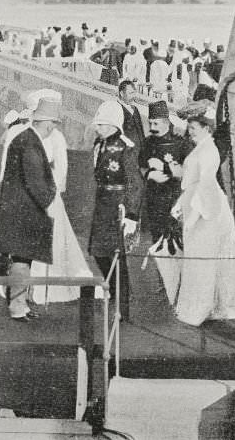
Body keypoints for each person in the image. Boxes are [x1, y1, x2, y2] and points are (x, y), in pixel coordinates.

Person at [170, 102, 235, 326]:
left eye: (194, 128)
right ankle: (203, 305)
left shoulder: (209, 150)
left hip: (208, 210)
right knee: (200, 259)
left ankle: (200, 307)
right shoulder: (202, 148)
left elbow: (205, 185)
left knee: (203, 260)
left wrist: (191, 215)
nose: (190, 132)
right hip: (201, 204)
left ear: (207, 128)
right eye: (189, 129)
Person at [0, 97, 60, 321]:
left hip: (18, 213)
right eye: (53, 124)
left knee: (24, 260)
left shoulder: (25, 138)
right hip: (23, 215)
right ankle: (17, 308)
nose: (52, 129)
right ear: (48, 123)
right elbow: (36, 183)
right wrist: (51, 204)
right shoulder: (31, 144)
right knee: (22, 262)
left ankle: (21, 305)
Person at [29, 98, 92, 305]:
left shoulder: (57, 138)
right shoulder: (32, 136)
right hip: (34, 195)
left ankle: (49, 287)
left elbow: (61, 170)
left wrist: (50, 189)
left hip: (49, 194)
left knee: (53, 240)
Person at [90, 100, 143, 319]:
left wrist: (131, 214)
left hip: (118, 205)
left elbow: (135, 183)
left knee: (116, 256)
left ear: (114, 125)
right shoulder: (99, 144)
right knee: (97, 251)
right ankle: (112, 289)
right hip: (102, 202)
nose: (98, 128)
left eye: (103, 125)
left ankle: (123, 306)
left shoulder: (126, 147)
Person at [138, 101, 191, 244]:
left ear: (166, 122)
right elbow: (140, 166)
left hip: (173, 199)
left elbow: (187, 172)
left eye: (156, 124)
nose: (152, 128)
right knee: (156, 239)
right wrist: (149, 174)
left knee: (174, 241)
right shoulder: (148, 142)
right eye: (150, 124)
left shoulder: (180, 143)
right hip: (153, 200)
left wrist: (165, 168)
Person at [116, 80, 146, 148]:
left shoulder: (134, 109)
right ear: (121, 93)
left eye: (134, 93)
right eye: (130, 93)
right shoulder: (116, 109)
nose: (133, 96)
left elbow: (141, 132)